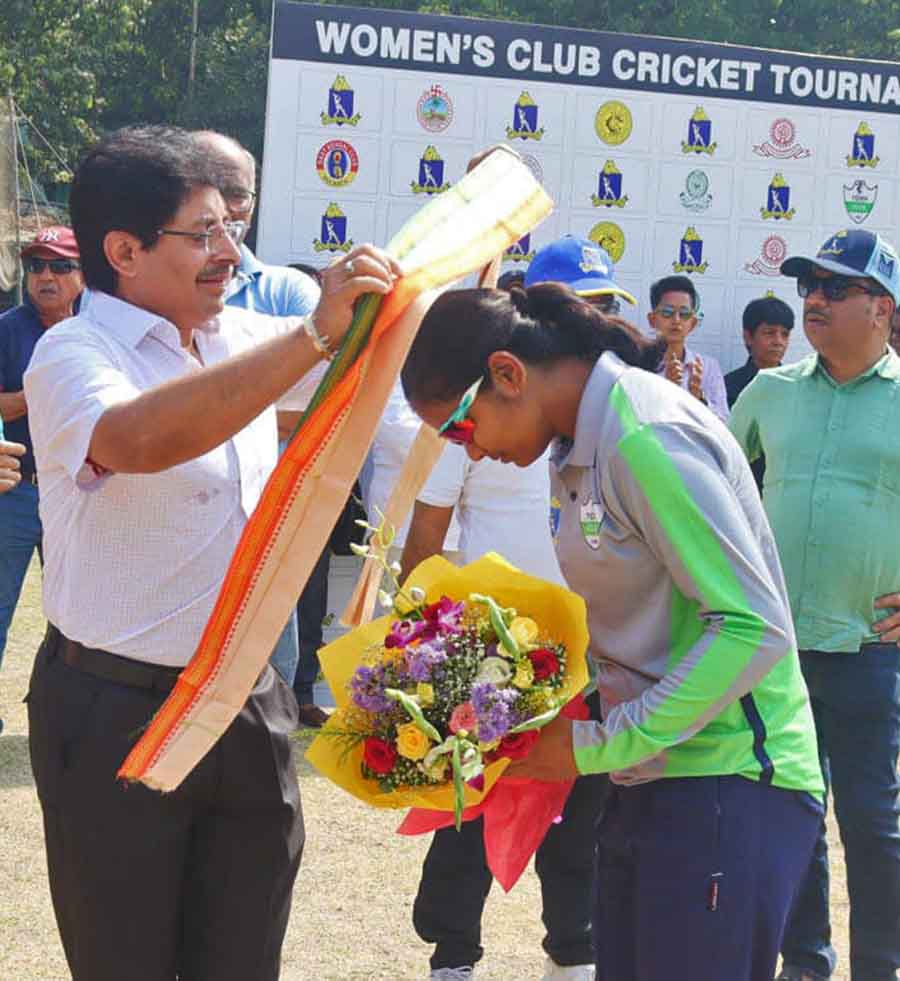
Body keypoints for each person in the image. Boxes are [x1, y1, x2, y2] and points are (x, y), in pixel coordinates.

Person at [22, 124, 398, 981]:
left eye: (234, 225)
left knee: (244, 958)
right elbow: (137, 438)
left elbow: (377, 370)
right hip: (115, 710)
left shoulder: (244, 338)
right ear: (123, 249)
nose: (232, 251)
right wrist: (309, 339)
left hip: (246, 700)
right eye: (205, 233)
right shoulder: (74, 354)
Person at [401, 281, 824, 981]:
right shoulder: (578, 444)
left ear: (508, 373)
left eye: (460, 428)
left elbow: (753, 626)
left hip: (731, 780)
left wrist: (601, 739)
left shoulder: (644, 435)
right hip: (654, 777)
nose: (468, 454)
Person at [729, 228, 900, 981]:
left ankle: (879, 969)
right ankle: (805, 963)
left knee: (871, 823)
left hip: (870, 649)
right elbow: (712, 492)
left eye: (835, 287)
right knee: (792, 814)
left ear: (882, 307)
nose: (814, 300)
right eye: (809, 286)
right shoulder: (770, 391)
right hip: (775, 651)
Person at [403, 439, 601, 981]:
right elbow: (427, 532)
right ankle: (453, 954)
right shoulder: (472, 421)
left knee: (581, 804)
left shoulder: (595, 415)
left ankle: (574, 950)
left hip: (591, 647)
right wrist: (418, 642)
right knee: (465, 804)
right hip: (489, 645)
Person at [194, 131, 325, 724]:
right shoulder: (138, 297)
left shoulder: (290, 292)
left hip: (272, 500)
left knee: (265, 674)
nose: (226, 208)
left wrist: (195, 419)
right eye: (210, 189)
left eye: (237, 194)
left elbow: (322, 403)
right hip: (182, 511)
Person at [0, 227, 83, 665]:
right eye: (35, 266)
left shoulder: (101, 329)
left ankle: (71, 728)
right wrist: (40, 390)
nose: (45, 276)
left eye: (60, 265)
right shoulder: (6, 330)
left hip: (80, 494)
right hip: (14, 493)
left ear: (86, 272)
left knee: (80, 624)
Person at [724, 295, 795, 491]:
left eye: (785, 334)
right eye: (769, 333)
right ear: (748, 336)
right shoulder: (728, 386)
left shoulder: (798, 386)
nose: (778, 341)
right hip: (743, 489)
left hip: (785, 491)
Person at [647, 274, 729, 421]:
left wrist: (699, 399)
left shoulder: (708, 367)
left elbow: (724, 424)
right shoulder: (637, 364)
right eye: (667, 312)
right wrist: (667, 390)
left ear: (693, 323)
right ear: (652, 320)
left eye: (684, 314)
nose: (676, 320)